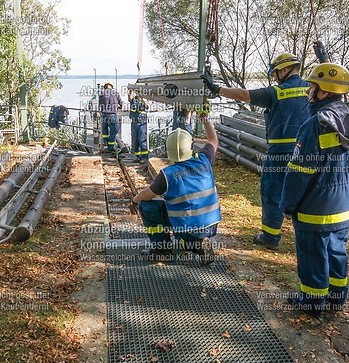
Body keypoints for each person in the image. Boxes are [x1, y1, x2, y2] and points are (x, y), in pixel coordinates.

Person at [280, 63, 349, 316]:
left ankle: (313, 303)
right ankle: (338, 298)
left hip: (315, 209)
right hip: (346, 205)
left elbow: (298, 174)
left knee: (312, 256)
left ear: (324, 92)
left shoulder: (314, 125)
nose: (308, 90)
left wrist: (287, 207)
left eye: (312, 86)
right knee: (337, 250)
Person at [202, 53, 310, 250]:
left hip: (280, 153)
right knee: (303, 193)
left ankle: (270, 236)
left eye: (276, 73)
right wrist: (323, 56)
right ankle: (306, 239)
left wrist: (216, 88)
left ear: (285, 70)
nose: (276, 78)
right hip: (305, 153)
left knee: (272, 191)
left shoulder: (277, 92)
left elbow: (245, 95)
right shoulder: (311, 89)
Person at [131, 104, 221, 264]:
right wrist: (205, 119)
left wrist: (134, 201)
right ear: (191, 148)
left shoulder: (168, 174)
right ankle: (198, 243)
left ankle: (162, 250)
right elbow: (213, 140)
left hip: (185, 226)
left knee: (147, 206)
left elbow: (146, 194)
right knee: (189, 227)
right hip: (211, 225)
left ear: (169, 152)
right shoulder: (204, 159)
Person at [99, 81, 123, 152]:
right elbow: (121, 103)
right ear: (112, 86)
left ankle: (106, 143)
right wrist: (117, 107)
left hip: (104, 115)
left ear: (105, 86)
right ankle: (110, 146)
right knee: (114, 130)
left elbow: (100, 104)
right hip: (112, 115)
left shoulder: (102, 93)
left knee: (105, 130)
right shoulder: (115, 93)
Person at [128, 89, 149, 163]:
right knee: (135, 140)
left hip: (142, 122)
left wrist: (143, 97)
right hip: (134, 122)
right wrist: (131, 91)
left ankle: (145, 158)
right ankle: (138, 157)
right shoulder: (133, 98)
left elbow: (147, 106)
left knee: (142, 139)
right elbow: (129, 98)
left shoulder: (144, 98)